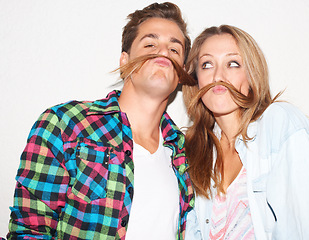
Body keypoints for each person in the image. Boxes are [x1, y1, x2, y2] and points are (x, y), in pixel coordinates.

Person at [7, 2, 194, 239]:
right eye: (150, 44)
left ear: (181, 73)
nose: (163, 53)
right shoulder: (66, 125)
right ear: (124, 61)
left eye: (174, 50)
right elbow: (30, 230)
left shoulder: (185, 153)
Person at [183, 25, 309, 239]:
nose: (218, 75)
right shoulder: (193, 150)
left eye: (233, 64)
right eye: (207, 65)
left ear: (252, 76)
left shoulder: (280, 123)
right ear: (196, 79)